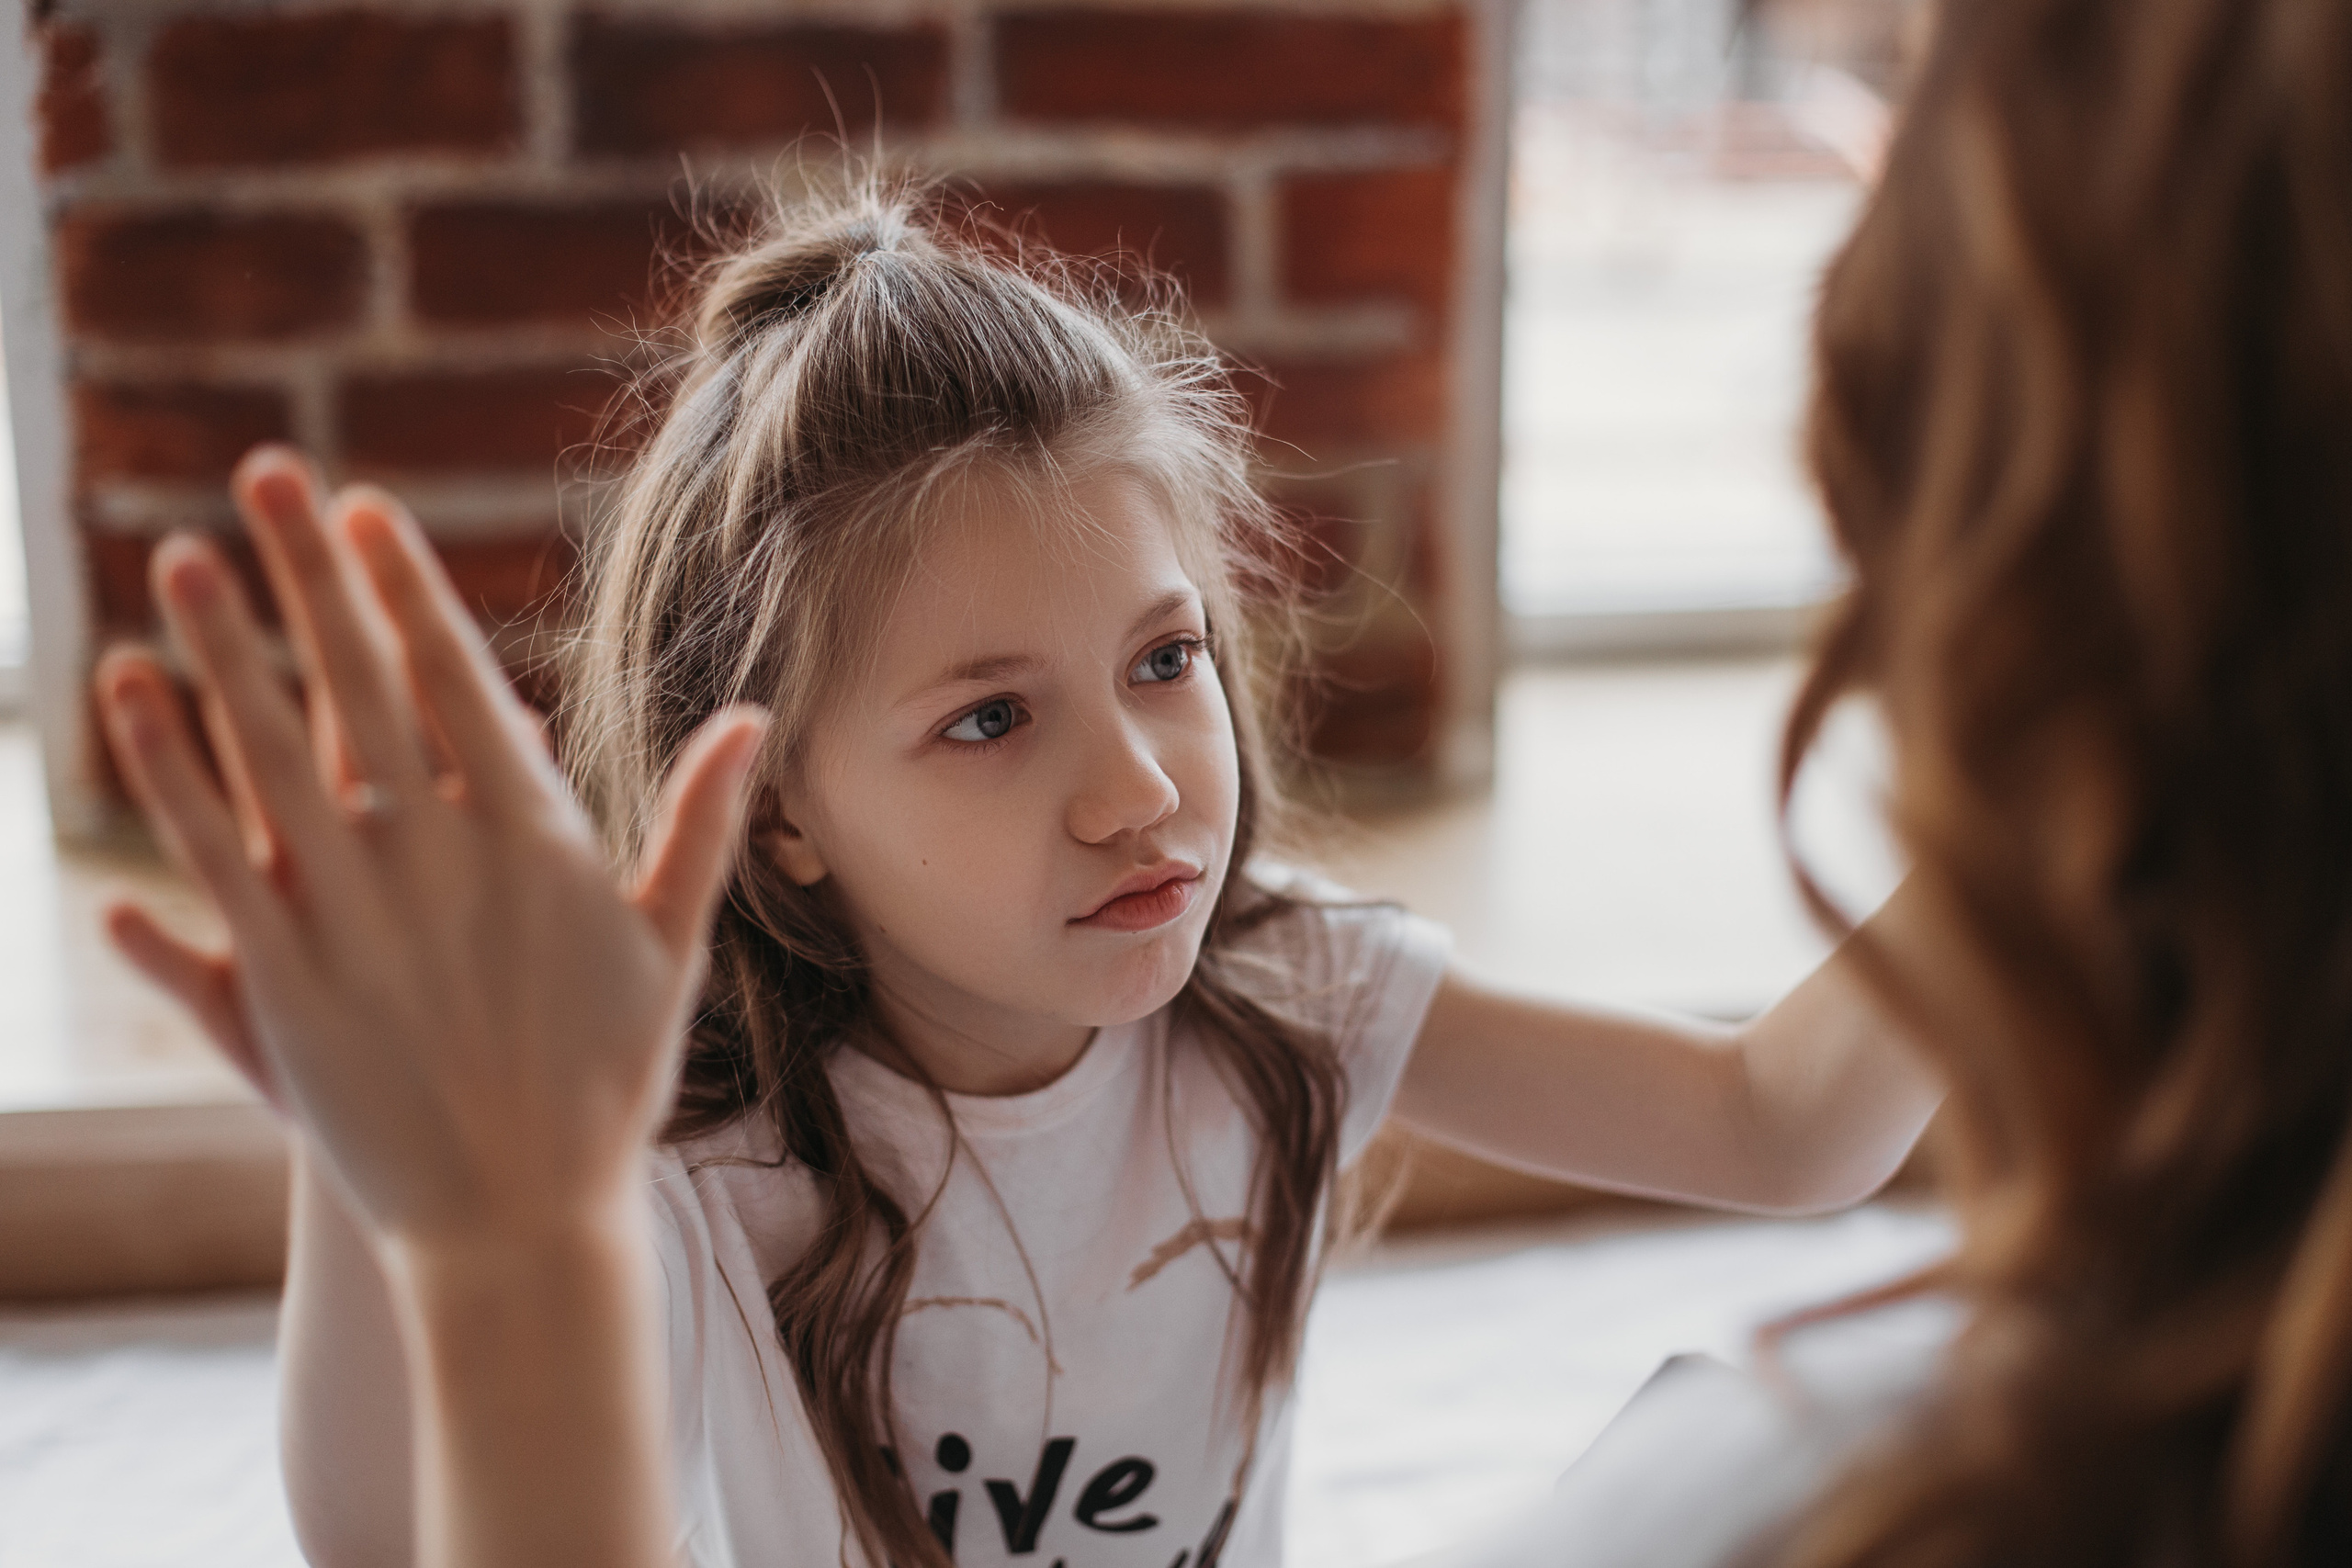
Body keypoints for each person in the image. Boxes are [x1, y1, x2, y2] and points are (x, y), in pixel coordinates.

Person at [92, 178, 1934, 1568]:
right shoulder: (691, 1148)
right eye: (990, 720)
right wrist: (371, 1157)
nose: (1137, 792)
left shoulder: (1291, 989)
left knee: (1792, 1464)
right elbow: (379, 1536)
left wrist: (2077, 787)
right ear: (779, 808)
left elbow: (1779, 1127)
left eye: (1164, 659)